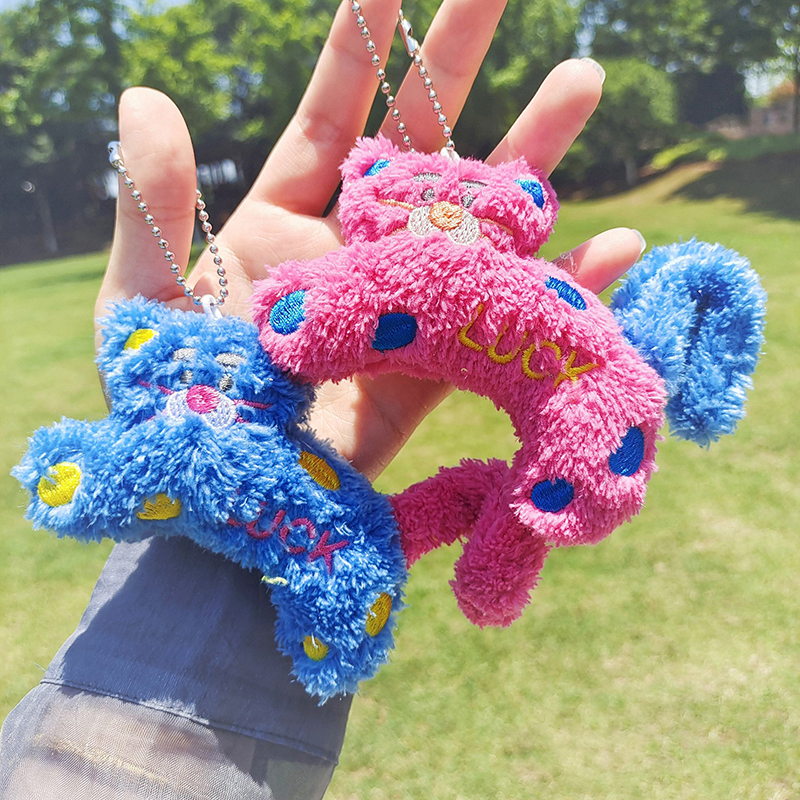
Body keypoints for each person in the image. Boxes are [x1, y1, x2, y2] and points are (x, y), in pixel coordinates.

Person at [0, 0, 647, 797]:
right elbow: (296, 333)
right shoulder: (277, 349)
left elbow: (303, 325)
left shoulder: (368, 300)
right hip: (334, 521)